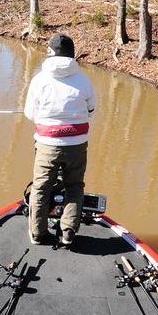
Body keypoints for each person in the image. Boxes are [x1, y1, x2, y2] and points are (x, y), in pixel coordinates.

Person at [23, 33, 96, 247]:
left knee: (41, 187)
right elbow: (91, 110)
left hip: (47, 145)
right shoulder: (84, 79)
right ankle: (68, 231)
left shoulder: (40, 80)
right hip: (77, 145)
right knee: (74, 185)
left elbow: (30, 113)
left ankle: (38, 234)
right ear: (72, 54)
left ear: (50, 53)